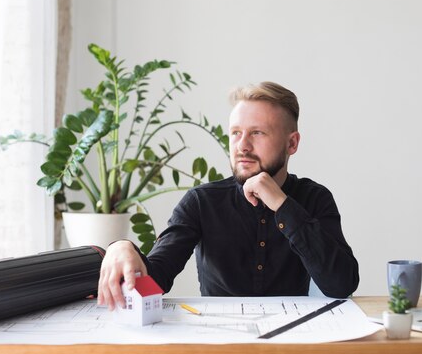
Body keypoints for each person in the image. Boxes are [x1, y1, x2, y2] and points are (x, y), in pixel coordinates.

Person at [97, 81, 359, 310]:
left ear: (292, 143)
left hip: (291, 343)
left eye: (257, 133)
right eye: (236, 133)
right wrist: (122, 247)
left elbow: (340, 284)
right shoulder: (201, 202)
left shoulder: (315, 198)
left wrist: (281, 203)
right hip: (220, 342)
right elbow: (157, 279)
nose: (242, 146)